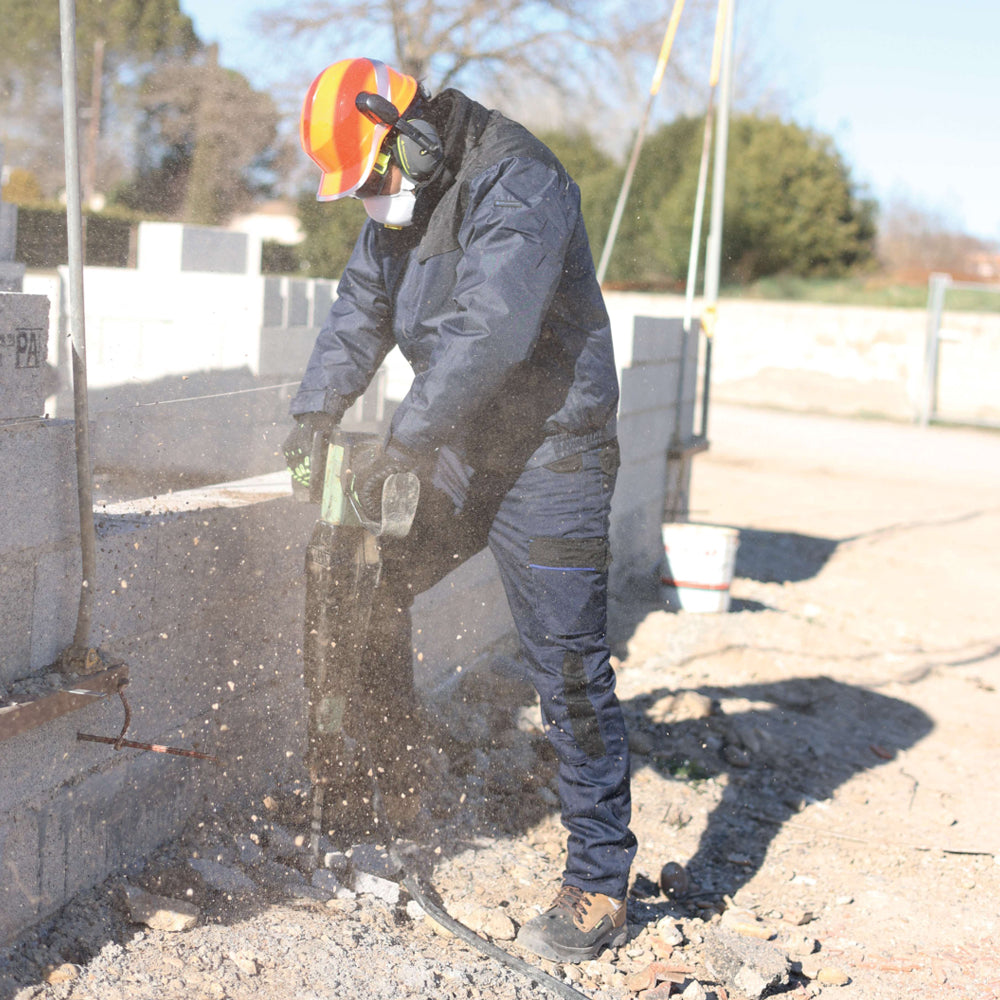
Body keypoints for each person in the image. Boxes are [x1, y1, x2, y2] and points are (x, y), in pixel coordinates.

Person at [283, 56, 637, 964]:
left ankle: (599, 879)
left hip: (550, 452)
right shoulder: (400, 203)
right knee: (365, 582)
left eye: (373, 178)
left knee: (567, 666)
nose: (372, 202)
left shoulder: (520, 181)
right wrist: (315, 411)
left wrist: (405, 440)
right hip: (459, 445)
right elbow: (361, 308)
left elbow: (492, 330)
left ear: (413, 137)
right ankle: (397, 788)